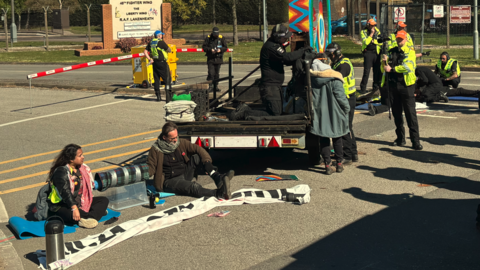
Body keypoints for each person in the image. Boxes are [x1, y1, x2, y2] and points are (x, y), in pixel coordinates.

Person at [230, 24, 308, 120]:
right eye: (285, 38)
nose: (287, 40)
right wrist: (302, 51)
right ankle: (245, 112)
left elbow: (286, 60)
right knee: (274, 114)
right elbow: (286, 57)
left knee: (276, 112)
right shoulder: (271, 47)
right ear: (277, 37)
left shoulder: (275, 45)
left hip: (274, 85)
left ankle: (246, 112)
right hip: (270, 86)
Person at [147, 122, 233, 199]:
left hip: (184, 175)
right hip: (169, 181)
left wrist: (207, 162)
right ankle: (218, 193)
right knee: (193, 187)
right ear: (164, 137)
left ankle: (218, 178)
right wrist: (139, 173)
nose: (176, 140)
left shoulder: (181, 143)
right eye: (172, 138)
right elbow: (150, 168)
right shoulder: (156, 150)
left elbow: (199, 149)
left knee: (197, 156)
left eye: (176, 137)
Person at [47, 144, 109, 229]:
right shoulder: (61, 172)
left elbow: (89, 187)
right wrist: (74, 208)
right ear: (71, 159)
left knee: (104, 200)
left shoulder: (82, 169)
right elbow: (66, 192)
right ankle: (92, 215)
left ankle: (88, 216)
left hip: (81, 202)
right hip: (63, 205)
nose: (83, 157)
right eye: (80, 156)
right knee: (73, 213)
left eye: (82, 155)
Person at [381, 30, 423, 150]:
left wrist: (392, 69)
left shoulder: (410, 52)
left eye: (401, 39)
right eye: (398, 39)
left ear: (406, 39)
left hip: (406, 86)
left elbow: (407, 67)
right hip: (393, 86)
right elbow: (383, 68)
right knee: (397, 114)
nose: (400, 41)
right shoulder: (391, 51)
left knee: (411, 114)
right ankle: (400, 139)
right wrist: (383, 61)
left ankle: (415, 141)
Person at [309, 59, 350, 175]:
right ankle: (339, 163)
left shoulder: (312, 80)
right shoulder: (335, 79)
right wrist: (347, 109)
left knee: (323, 139)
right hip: (335, 112)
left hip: (320, 113)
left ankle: (327, 164)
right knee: (337, 138)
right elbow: (341, 98)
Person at [325, 42, 358, 164]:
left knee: (345, 128)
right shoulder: (339, 63)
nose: (329, 57)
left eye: (330, 54)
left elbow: (336, 77)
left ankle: (348, 156)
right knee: (348, 127)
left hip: (347, 99)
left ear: (336, 53)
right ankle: (353, 153)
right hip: (346, 98)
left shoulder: (344, 65)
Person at [144, 30, 172, 102]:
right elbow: (169, 50)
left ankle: (158, 96)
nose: (162, 36)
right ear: (159, 36)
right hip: (162, 63)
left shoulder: (151, 42)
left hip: (154, 62)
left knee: (156, 79)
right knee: (167, 79)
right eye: (161, 35)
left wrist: (150, 59)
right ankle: (168, 97)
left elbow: (145, 52)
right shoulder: (161, 42)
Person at [360, 19, 382, 94]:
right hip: (368, 52)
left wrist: (373, 41)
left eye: (374, 25)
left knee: (376, 71)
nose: (373, 26)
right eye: (372, 25)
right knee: (367, 71)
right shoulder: (363, 32)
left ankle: (375, 87)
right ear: (368, 25)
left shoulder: (378, 31)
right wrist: (371, 35)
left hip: (376, 52)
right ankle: (363, 88)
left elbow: (380, 42)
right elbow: (366, 42)